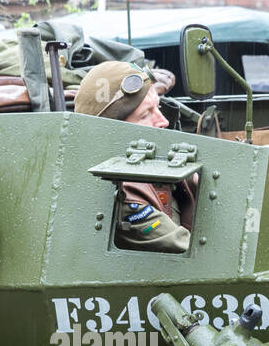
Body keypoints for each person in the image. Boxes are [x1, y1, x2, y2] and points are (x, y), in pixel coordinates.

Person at [73, 61, 194, 253]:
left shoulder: (157, 164)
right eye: (146, 115)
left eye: (158, 107)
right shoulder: (125, 196)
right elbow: (188, 249)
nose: (163, 121)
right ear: (114, 131)